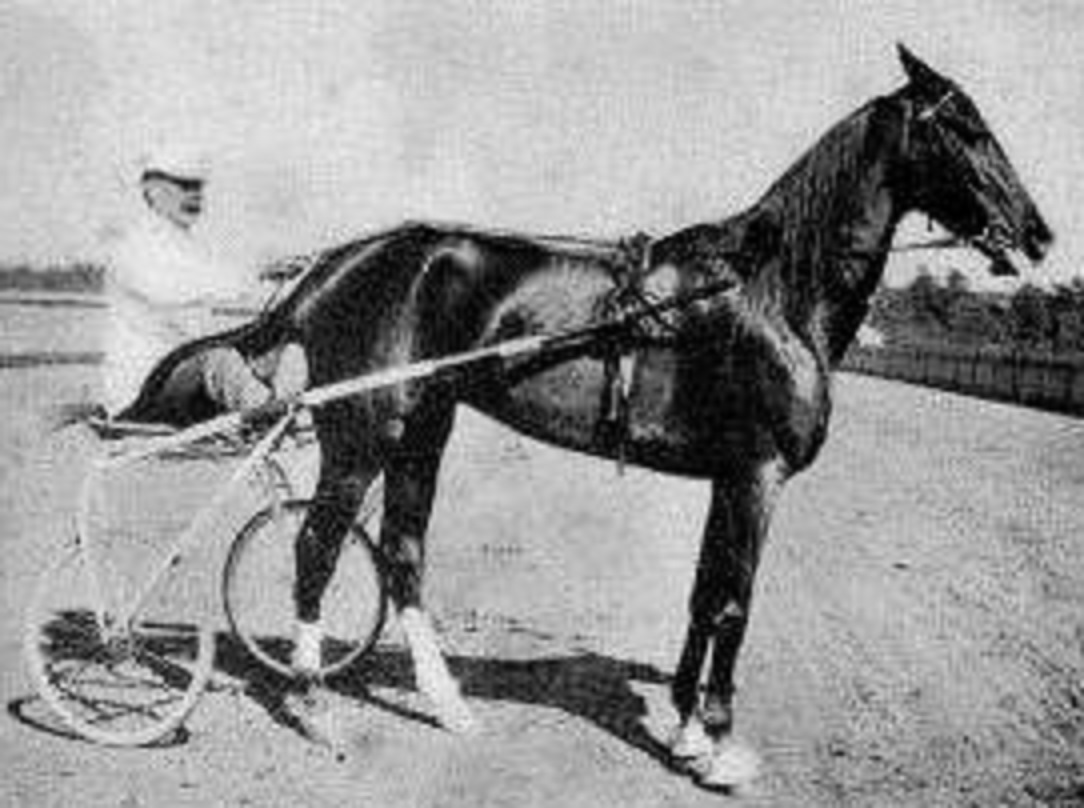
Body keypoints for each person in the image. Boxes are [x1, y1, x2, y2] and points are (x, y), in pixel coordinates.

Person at [100, 145, 307, 421]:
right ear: (152, 189)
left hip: (184, 374)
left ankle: (288, 416)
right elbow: (180, 288)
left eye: (198, 187)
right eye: (184, 186)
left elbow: (227, 285)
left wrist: (285, 278)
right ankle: (271, 419)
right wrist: (257, 273)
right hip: (140, 394)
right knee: (220, 361)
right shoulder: (133, 245)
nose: (195, 195)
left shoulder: (189, 247)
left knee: (286, 351)